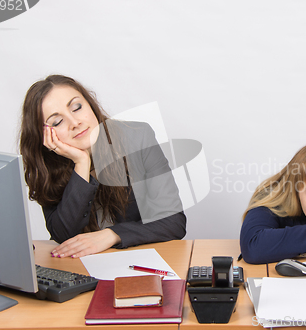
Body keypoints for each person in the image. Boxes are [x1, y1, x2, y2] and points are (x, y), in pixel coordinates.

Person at [19, 75, 186, 258]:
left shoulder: (138, 137)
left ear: (90, 104)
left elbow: (173, 222)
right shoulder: (46, 165)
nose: (75, 123)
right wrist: (81, 163)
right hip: (81, 270)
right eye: (57, 122)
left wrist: (112, 235)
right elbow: (63, 234)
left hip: (137, 261)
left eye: (77, 107)